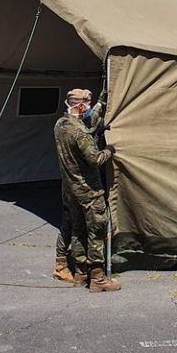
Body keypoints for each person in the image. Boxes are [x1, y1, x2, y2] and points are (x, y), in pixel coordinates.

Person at [53, 88, 121, 292]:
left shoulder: (60, 125)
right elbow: (95, 159)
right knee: (96, 231)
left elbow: (88, 123)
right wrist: (109, 150)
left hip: (70, 189)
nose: (89, 108)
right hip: (89, 191)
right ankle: (98, 278)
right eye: (87, 104)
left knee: (78, 230)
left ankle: (80, 273)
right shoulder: (79, 132)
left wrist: (100, 104)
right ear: (81, 106)